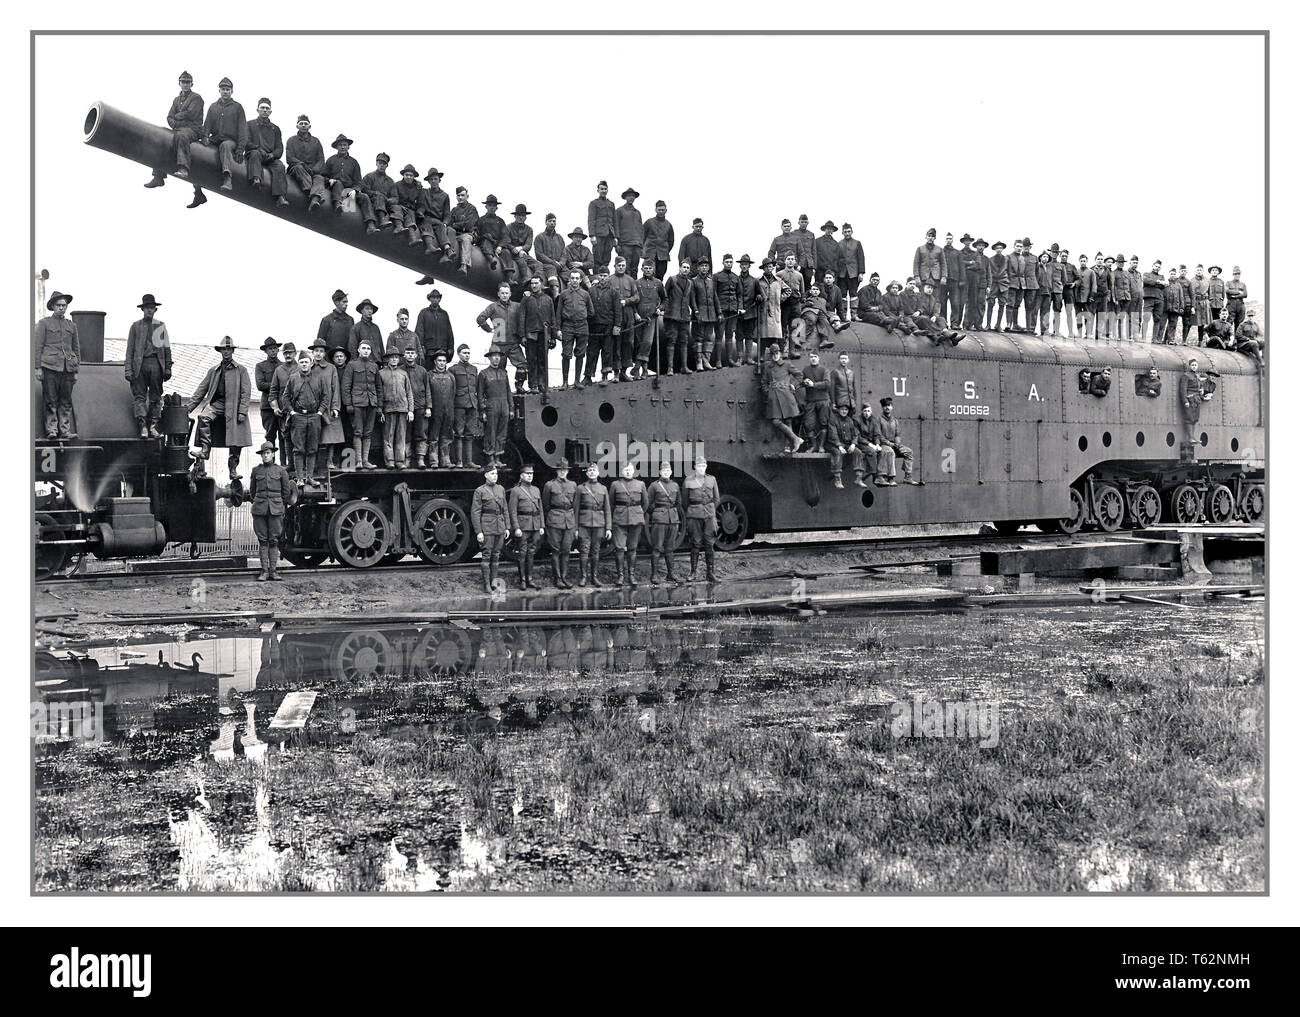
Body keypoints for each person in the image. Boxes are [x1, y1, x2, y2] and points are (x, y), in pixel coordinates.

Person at [186, 335, 250, 479]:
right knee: (203, 417)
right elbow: (201, 390)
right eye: (223, 349)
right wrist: (188, 408)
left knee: (236, 440)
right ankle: (205, 450)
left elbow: (246, 393)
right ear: (220, 351)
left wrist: (242, 411)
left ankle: (233, 470)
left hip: (234, 407)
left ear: (232, 351)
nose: (226, 352)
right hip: (218, 404)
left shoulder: (241, 370)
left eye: (228, 349)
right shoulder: (214, 371)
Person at [145, 71, 205, 202]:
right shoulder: (176, 100)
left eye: (188, 82)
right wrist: (176, 121)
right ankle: (158, 176)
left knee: (183, 136)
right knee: (162, 137)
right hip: (179, 128)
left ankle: (183, 168)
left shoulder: (196, 98)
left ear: (192, 84)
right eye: (183, 82)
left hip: (193, 129)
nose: (185, 84)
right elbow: (169, 117)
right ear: (179, 83)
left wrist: (177, 118)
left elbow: (191, 115)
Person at [125, 293, 174, 438]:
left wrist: (168, 367)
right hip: (140, 365)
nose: (149, 310)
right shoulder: (135, 327)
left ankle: (153, 426)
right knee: (139, 397)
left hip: (156, 365)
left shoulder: (160, 326)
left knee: (156, 397)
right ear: (142, 309)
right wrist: (128, 369)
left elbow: (166, 349)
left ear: (155, 310)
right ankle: (143, 428)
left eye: (152, 308)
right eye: (147, 308)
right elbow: (130, 350)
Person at [35, 290, 81, 440]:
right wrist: (37, 367)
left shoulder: (71, 326)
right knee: (50, 400)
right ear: (53, 306)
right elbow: (37, 346)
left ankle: (65, 430)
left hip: (67, 368)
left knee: (66, 401)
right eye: (59, 305)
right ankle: (52, 430)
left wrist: (75, 369)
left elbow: (76, 348)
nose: (62, 308)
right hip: (50, 367)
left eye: (64, 305)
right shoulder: (44, 323)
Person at [279, 348, 326, 488]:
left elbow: (325, 397)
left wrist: (320, 412)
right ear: (298, 364)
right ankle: (300, 478)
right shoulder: (293, 378)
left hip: (314, 417)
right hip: (298, 417)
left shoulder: (319, 378)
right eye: (301, 362)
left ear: (311, 363)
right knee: (298, 449)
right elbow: (285, 397)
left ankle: (310, 477)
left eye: (306, 362)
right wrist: (292, 412)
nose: (304, 364)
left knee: (312, 448)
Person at [249, 440, 296, 581]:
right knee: (263, 540)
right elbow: (252, 491)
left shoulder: (281, 471)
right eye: (263, 453)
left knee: (274, 540)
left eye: (268, 453)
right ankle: (264, 572)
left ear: (273, 454)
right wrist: (258, 501)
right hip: (259, 509)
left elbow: (286, 493)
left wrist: (279, 505)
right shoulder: (256, 471)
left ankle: (274, 571)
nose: (265, 456)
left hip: (276, 509)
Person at [478, 282, 527, 391]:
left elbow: (526, 312)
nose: (504, 295)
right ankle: (501, 390)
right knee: (498, 370)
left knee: (522, 365)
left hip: (513, 342)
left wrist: (526, 297)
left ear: (510, 294)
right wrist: (489, 329)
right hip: (498, 345)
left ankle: (519, 386)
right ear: (498, 294)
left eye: (506, 293)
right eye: (502, 293)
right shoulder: (493, 307)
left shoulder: (517, 306)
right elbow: (480, 318)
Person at [201, 77, 247, 194]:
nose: (225, 91)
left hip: (230, 140)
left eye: (228, 89)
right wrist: (205, 136)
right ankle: (198, 190)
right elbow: (207, 124)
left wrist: (240, 150)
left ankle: (227, 178)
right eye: (223, 89)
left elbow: (243, 130)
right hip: (215, 138)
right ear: (219, 91)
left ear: (232, 91)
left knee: (225, 146)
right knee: (198, 148)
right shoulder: (213, 107)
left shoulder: (238, 107)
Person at [341, 338, 380, 470]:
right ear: (358, 350)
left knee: (368, 433)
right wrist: (348, 404)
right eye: (363, 348)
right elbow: (346, 387)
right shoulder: (351, 365)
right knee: (358, 432)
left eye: (368, 349)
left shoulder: (374, 366)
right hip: (357, 403)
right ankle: (358, 461)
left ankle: (365, 460)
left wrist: (378, 406)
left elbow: (378, 387)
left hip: (371, 403)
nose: (366, 351)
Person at [471, 465, 509, 594]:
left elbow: (505, 510)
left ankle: (494, 584)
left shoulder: (501, 489)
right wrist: (479, 532)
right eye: (492, 473)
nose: (495, 476)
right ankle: (486, 585)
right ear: (486, 475)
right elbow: (475, 513)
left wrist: (507, 527)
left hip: (500, 526)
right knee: (486, 556)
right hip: (487, 527)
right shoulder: (480, 491)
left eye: (496, 473)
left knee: (496, 555)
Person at [610, 462, 649, 588]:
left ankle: (631, 575)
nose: (628, 472)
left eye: (630, 469)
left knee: (632, 548)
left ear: (634, 471)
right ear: (622, 472)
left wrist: (637, 513)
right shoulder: (615, 485)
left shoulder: (640, 484)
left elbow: (645, 503)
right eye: (625, 470)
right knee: (620, 548)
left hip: (635, 519)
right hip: (619, 519)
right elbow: (611, 504)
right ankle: (620, 576)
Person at [682, 456, 721, 582]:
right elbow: (685, 500)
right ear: (695, 467)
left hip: (709, 515)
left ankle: (710, 573)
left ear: (706, 466)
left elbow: (716, 499)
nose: (701, 468)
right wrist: (694, 510)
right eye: (699, 466)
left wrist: (710, 510)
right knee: (695, 543)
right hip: (694, 515)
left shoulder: (712, 479)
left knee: (710, 544)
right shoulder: (688, 480)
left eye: (703, 466)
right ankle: (693, 573)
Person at [244, 98, 288, 207]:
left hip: (270, 158)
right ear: (257, 110)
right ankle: (256, 179)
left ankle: (280, 196)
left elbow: (279, 147)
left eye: (267, 108)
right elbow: (246, 141)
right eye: (262, 108)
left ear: (270, 111)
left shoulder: (276, 129)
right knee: (255, 154)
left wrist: (273, 155)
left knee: (280, 166)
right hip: (256, 152)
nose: (264, 110)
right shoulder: (249, 124)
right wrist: (258, 148)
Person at [542, 458, 579, 588]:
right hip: (554, 520)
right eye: (560, 470)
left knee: (566, 550)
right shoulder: (549, 485)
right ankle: (557, 578)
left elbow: (575, 505)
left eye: (565, 470)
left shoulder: (573, 485)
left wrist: (574, 523)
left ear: (567, 471)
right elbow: (546, 505)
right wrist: (551, 518)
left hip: (569, 520)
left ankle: (564, 577)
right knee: (556, 550)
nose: (562, 472)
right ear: (556, 471)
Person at [508, 463, 545, 590]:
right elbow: (512, 511)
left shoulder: (536, 490)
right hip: (523, 526)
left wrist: (541, 525)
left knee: (532, 552)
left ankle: (530, 579)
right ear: (521, 476)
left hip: (535, 525)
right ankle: (522, 580)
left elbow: (540, 509)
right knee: (522, 553)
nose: (530, 476)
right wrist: (516, 527)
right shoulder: (516, 491)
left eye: (531, 474)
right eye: (527, 474)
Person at [760, 343, 803, 453]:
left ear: (780, 353)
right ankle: (796, 439)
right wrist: (768, 393)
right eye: (773, 354)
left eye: (777, 353)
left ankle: (789, 446)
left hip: (786, 395)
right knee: (776, 421)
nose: (775, 356)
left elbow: (799, 375)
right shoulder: (767, 366)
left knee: (788, 421)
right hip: (773, 396)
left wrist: (794, 385)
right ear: (770, 355)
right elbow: (764, 382)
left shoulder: (787, 364)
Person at [556, 270, 595, 389]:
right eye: (572, 278)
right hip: (567, 326)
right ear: (569, 279)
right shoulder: (563, 294)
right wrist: (558, 329)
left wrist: (581, 315)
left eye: (577, 278)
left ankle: (577, 381)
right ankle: (565, 382)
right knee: (566, 354)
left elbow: (591, 312)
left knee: (580, 354)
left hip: (582, 326)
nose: (575, 280)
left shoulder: (585, 294)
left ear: (580, 280)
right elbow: (558, 313)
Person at [576, 463, 612, 587]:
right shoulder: (581, 488)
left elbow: (607, 509)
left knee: (596, 551)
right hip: (584, 523)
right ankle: (583, 577)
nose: (592, 472)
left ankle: (594, 577)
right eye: (590, 470)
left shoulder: (603, 489)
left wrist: (608, 528)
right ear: (587, 473)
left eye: (594, 470)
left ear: (598, 473)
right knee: (584, 550)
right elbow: (576, 509)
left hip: (599, 524)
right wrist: (576, 528)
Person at [477, 347, 513, 468]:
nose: (497, 358)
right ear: (489, 358)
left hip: (504, 405)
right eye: (494, 356)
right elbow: (480, 394)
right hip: (491, 405)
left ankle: (498, 458)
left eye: (498, 356)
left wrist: (511, 408)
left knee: (502, 433)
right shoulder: (483, 374)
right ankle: (490, 458)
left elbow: (509, 392)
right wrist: (482, 410)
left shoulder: (504, 373)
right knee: (491, 432)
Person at [519, 276, 555, 394]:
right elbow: (522, 317)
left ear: (541, 284)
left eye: (536, 283)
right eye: (532, 284)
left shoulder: (548, 299)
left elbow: (552, 318)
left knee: (543, 360)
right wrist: (523, 335)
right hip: (530, 334)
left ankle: (542, 384)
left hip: (544, 334)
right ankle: (533, 385)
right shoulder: (526, 299)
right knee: (531, 360)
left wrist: (553, 336)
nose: (534, 286)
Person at [285, 114, 327, 212]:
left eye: (305, 124)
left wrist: (315, 170)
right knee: (298, 167)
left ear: (309, 126)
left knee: (320, 178)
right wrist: (302, 165)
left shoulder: (316, 141)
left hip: (313, 172)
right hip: (296, 170)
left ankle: (314, 200)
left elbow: (321, 159)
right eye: (301, 123)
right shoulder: (291, 140)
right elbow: (289, 158)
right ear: (297, 126)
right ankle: (311, 192)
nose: (303, 125)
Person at [870, 397, 917, 485]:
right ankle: (888, 478)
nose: (887, 407)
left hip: (894, 444)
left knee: (909, 452)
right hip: (884, 444)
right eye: (885, 406)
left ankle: (908, 477)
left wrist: (897, 443)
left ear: (892, 407)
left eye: (889, 405)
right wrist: (890, 444)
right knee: (890, 451)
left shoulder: (895, 421)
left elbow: (898, 434)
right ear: (882, 408)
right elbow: (878, 435)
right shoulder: (878, 420)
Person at [663, 259, 696, 375]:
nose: (685, 269)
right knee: (671, 341)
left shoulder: (690, 283)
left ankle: (684, 366)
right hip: (672, 316)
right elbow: (664, 296)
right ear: (680, 268)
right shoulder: (672, 280)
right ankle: (670, 368)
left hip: (685, 317)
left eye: (688, 268)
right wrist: (664, 309)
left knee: (684, 342)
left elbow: (691, 300)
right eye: (684, 267)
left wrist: (695, 311)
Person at [634, 260, 667, 379]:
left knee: (647, 343)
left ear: (653, 269)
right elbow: (633, 300)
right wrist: (635, 313)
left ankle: (638, 367)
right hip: (639, 319)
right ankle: (643, 371)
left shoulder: (658, 283)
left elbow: (665, 299)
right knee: (639, 343)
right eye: (646, 268)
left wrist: (660, 308)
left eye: (650, 268)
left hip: (651, 318)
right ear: (642, 269)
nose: (648, 270)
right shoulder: (637, 283)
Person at [609, 256, 640, 381]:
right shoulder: (610, 280)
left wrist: (626, 301)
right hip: (615, 315)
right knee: (616, 343)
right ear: (615, 266)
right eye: (619, 265)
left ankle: (624, 371)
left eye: (623, 265)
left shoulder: (631, 280)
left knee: (628, 342)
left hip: (628, 313)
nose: (621, 267)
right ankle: (616, 373)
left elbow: (636, 297)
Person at [424, 350, 456, 468]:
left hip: (448, 410)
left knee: (447, 435)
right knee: (433, 435)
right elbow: (427, 392)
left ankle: (445, 460)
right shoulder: (429, 375)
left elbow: (454, 393)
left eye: (444, 361)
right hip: (435, 410)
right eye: (439, 361)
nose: (442, 363)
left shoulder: (451, 377)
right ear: (435, 362)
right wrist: (429, 407)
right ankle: (433, 461)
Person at [401, 343, 431, 467]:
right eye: (408, 353)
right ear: (404, 355)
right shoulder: (400, 370)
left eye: (412, 353)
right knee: (406, 433)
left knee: (421, 433)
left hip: (420, 406)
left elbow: (428, 389)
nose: (410, 355)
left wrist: (428, 407)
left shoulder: (422, 371)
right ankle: (407, 458)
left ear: (416, 355)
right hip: (405, 407)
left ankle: (420, 458)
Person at [449, 344, 479, 467]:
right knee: (459, 433)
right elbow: (452, 389)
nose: (467, 355)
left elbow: (475, 387)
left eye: (468, 353)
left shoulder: (474, 369)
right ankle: (459, 461)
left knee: (469, 433)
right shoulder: (453, 369)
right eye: (464, 353)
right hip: (459, 404)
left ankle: (469, 461)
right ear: (459, 354)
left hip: (472, 403)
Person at [588, 266, 618, 384]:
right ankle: (588, 376)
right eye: (601, 276)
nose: (603, 278)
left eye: (605, 276)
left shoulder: (613, 291)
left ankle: (605, 376)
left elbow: (617, 310)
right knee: (591, 351)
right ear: (597, 276)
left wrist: (617, 326)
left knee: (607, 351)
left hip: (608, 326)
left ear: (608, 277)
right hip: (594, 325)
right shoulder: (591, 291)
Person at [268, 341, 297, 466]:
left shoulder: (301, 367)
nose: (288, 355)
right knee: (286, 438)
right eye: (285, 353)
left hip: (298, 410)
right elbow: (273, 391)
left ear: (295, 353)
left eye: (290, 353)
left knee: (299, 438)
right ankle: (288, 465)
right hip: (284, 411)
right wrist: (275, 407)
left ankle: (300, 467)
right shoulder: (279, 370)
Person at [713, 254, 743, 368]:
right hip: (722, 311)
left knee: (730, 335)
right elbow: (714, 295)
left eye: (731, 262)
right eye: (727, 262)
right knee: (719, 336)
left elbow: (739, 294)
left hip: (733, 311)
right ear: (723, 263)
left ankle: (730, 359)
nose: (729, 264)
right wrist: (718, 311)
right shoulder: (716, 276)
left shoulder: (736, 277)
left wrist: (739, 307)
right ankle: (718, 361)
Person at [691, 257, 720, 371]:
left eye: (706, 266)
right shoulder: (694, 281)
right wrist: (696, 312)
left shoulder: (710, 281)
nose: (704, 268)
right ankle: (699, 362)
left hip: (711, 315)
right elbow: (692, 299)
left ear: (708, 268)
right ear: (698, 268)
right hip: (700, 315)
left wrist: (719, 313)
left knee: (708, 338)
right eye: (702, 266)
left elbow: (715, 298)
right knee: (699, 338)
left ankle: (706, 361)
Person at [419, 168, 455, 261]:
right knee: (426, 224)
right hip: (425, 218)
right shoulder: (424, 192)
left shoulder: (445, 196)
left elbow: (447, 213)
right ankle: (430, 246)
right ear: (429, 181)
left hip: (437, 220)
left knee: (441, 226)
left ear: (439, 180)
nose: (433, 181)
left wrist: (445, 223)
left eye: (435, 179)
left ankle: (447, 249)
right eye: (431, 179)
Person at [800, 351, 832, 452]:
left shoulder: (824, 370)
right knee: (809, 424)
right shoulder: (806, 370)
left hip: (823, 400)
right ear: (809, 358)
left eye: (815, 357)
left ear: (819, 358)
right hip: (810, 401)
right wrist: (804, 382)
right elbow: (801, 381)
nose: (813, 358)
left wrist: (813, 385)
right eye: (811, 357)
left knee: (823, 423)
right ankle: (813, 446)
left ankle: (821, 446)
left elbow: (827, 384)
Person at [415, 289, 455, 367]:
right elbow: (419, 331)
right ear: (430, 299)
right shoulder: (423, 313)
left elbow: (449, 332)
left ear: (439, 299)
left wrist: (450, 347)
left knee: (441, 374)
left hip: (442, 351)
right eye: (433, 298)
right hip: (429, 352)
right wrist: (421, 347)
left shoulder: (444, 314)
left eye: (437, 298)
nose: (435, 300)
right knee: (428, 375)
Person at [448, 186, 479, 276]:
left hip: (466, 234)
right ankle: (449, 255)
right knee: (449, 231)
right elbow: (450, 223)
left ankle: (464, 265)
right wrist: (458, 226)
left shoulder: (472, 209)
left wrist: (456, 225)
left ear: (467, 196)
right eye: (458, 195)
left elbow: (469, 225)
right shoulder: (454, 210)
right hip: (455, 234)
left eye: (463, 195)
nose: (460, 197)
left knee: (466, 239)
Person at [827, 404, 860, 489]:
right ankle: (837, 479)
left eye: (846, 410)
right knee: (837, 453)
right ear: (838, 410)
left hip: (846, 444)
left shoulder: (849, 420)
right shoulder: (833, 419)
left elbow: (855, 434)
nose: (844, 411)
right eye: (842, 409)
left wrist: (853, 444)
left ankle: (858, 477)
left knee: (857, 452)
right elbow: (832, 434)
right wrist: (839, 446)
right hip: (833, 444)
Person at [360, 152, 396, 231]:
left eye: (384, 163)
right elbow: (364, 190)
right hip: (372, 202)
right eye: (380, 163)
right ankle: (382, 220)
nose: (382, 165)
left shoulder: (390, 181)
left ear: (387, 165)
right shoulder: (369, 176)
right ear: (376, 163)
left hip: (386, 204)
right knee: (379, 197)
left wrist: (389, 200)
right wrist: (375, 193)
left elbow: (395, 197)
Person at [504, 204, 538, 287]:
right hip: (513, 254)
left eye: (523, 215)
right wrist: (513, 249)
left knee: (539, 264)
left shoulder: (529, 229)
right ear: (515, 216)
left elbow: (529, 245)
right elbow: (506, 242)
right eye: (519, 215)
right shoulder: (508, 227)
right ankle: (525, 280)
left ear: (526, 217)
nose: (521, 217)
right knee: (521, 261)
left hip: (524, 253)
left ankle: (538, 281)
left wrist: (521, 249)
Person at [533, 213, 567, 292]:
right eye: (550, 221)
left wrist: (561, 263)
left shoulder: (559, 238)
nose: (552, 223)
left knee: (571, 275)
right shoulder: (540, 237)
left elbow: (564, 253)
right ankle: (555, 293)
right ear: (546, 222)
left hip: (560, 266)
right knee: (552, 272)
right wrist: (552, 262)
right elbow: (539, 254)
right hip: (547, 265)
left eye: (554, 221)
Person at [778, 253, 806, 350]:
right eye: (788, 259)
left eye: (792, 259)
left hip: (796, 304)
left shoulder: (799, 275)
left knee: (794, 327)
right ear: (785, 261)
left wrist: (801, 301)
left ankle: (792, 350)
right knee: (782, 327)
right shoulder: (779, 274)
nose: (790, 261)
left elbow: (802, 291)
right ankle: (782, 350)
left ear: (795, 261)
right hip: (784, 305)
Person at [837, 224, 866, 320]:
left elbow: (861, 258)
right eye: (845, 232)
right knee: (842, 294)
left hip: (853, 273)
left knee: (853, 293)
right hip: (842, 273)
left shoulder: (857, 243)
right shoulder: (839, 243)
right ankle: (844, 315)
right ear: (842, 233)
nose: (847, 233)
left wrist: (861, 272)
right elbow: (836, 258)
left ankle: (854, 314)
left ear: (852, 232)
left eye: (849, 231)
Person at [476, 195, 510, 274]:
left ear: (496, 208)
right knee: (486, 241)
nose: (491, 207)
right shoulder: (481, 220)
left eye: (494, 206)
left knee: (506, 252)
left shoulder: (500, 221)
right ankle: (491, 260)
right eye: (489, 205)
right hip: (484, 243)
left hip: (496, 244)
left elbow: (506, 236)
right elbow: (476, 233)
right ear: (486, 207)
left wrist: (500, 246)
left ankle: (509, 276)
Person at [588, 181, 617, 270]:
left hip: (610, 235)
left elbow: (614, 221)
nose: (603, 191)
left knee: (607, 258)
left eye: (605, 189)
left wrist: (615, 236)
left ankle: (605, 278)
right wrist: (592, 235)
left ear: (607, 190)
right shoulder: (594, 203)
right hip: (599, 234)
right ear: (598, 190)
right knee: (597, 258)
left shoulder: (611, 204)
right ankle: (597, 279)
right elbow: (591, 220)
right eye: (601, 189)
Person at [642, 201, 675, 280]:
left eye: (662, 210)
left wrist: (665, 250)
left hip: (663, 255)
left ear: (666, 211)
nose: (661, 212)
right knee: (648, 274)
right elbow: (642, 236)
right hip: (650, 253)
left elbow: (671, 240)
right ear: (655, 210)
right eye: (659, 210)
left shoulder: (668, 225)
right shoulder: (649, 222)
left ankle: (658, 291)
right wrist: (645, 250)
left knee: (660, 275)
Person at [615, 188, 644, 277]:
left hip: (637, 245)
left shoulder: (637, 212)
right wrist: (617, 243)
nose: (631, 198)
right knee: (624, 268)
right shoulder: (619, 211)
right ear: (625, 197)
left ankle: (634, 289)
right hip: (625, 244)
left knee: (634, 269)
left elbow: (640, 229)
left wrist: (641, 244)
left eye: (633, 196)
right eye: (629, 196)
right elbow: (616, 227)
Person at [1180, 359, 1211, 441]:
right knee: (1189, 418)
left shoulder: (1197, 376)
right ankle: (1190, 438)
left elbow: (1199, 389)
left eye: (1195, 365)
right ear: (1190, 366)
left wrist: (1203, 396)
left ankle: (1192, 437)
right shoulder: (1186, 376)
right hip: (1190, 399)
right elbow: (1183, 390)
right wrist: (1185, 401)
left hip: (1196, 400)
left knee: (1195, 419)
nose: (1194, 366)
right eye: (1192, 365)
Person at [758, 259, 786, 352]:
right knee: (762, 336)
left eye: (770, 266)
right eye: (766, 267)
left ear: (773, 267)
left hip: (775, 311)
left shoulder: (778, 281)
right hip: (763, 311)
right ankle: (761, 355)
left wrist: (780, 299)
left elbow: (788, 290)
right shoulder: (759, 281)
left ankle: (774, 354)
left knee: (774, 336)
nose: (768, 269)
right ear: (763, 269)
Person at [854, 404, 884, 487]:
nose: (866, 413)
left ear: (871, 412)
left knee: (880, 452)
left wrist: (877, 444)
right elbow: (858, 436)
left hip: (872, 444)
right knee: (872, 452)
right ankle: (874, 474)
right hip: (861, 443)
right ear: (862, 412)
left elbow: (877, 434)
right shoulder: (857, 420)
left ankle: (878, 476)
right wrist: (870, 445)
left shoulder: (874, 421)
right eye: (865, 411)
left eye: (868, 411)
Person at [318, 288, 354, 355]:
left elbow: (353, 342)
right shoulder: (327, 320)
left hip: (346, 358)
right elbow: (320, 343)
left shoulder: (350, 320)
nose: (346, 304)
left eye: (347, 302)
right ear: (336, 302)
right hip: (330, 359)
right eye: (344, 302)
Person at [1142, 260, 1166, 343]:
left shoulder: (1162, 276)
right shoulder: (1146, 274)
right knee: (1146, 317)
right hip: (1149, 298)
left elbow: (1163, 286)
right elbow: (1146, 281)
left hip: (1159, 299)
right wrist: (1158, 282)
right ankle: (1143, 338)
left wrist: (1153, 283)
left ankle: (1154, 339)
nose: (1157, 268)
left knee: (1157, 319)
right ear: (1152, 266)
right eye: (1156, 266)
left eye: (1159, 267)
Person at [1163, 269, 1188, 345]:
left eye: (1174, 274)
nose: (1172, 275)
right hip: (1165, 307)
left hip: (1175, 308)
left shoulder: (1178, 285)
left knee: (1173, 324)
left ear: (1176, 275)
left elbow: (1181, 297)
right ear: (1169, 274)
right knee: (1162, 323)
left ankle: (1171, 339)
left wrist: (1181, 307)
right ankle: (1161, 339)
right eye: (1171, 274)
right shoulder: (1166, 283)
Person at [1075, 255, 1096, 339]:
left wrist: (1091, 296)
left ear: (1087, 261)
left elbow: (1094, 285)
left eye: (1084, 261)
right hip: (1077, 298)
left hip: (1087, 298)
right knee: (1078, 316)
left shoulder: (1091, 272)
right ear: (1079, 261)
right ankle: (1079, 333)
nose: (1083, 262)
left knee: (1088, 316)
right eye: (1081, 261)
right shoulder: (1076, 271)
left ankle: (1088, 333)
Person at [1191, 265, 1211, 346]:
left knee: (1202, 323)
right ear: (1195, 271)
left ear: (1203, 271)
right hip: (1196, 302)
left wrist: (1208, 302)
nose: (1199, 271)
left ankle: (1200, 341)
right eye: (1197, 270)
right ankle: (1184, 340)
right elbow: (1191, 293)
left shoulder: (1207, 280)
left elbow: (1210, 292)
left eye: (1200, 270)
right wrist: (1192, 305)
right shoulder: (1191, 280)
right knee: (1190, 322)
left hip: (1204, 303)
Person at [1226, 267, 1248, 333]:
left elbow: (1245, 294)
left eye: (1238, 274)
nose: (1237, 275)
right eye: (1235, 274)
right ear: (1233, 274)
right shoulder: (1228, 283)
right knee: (1229, 322)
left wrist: (1234, 296)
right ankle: (1228, 339)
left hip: (1240, 305)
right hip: (1231, 305)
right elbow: (1227, 291)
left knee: (1239, 323)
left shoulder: (1243, 284)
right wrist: (1238, 292)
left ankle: (1237, 339)